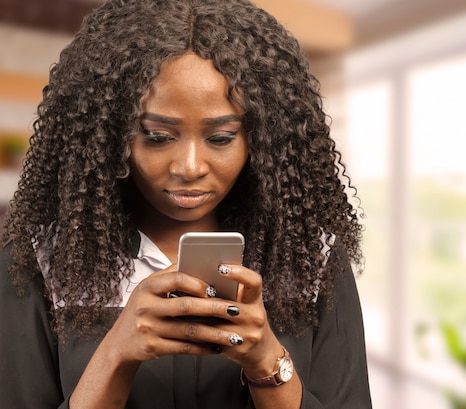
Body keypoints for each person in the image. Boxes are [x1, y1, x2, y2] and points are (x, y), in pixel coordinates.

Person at [0, 0, 372, 408]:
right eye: (157, 136)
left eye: (220, 138)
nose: (189, 167)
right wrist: (115, 355)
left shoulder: (311, 258)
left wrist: (267, 360)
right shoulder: (39, 262)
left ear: (263, 138)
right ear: (106, 134)